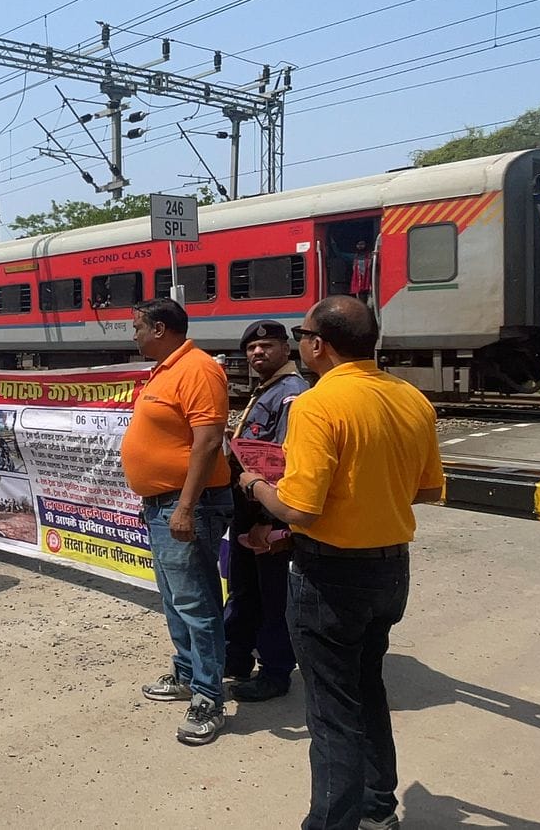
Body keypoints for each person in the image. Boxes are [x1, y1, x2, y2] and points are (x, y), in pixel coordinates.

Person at [239, 296, 443, 830]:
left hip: (331, 577)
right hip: (390, 571)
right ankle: (378, 809)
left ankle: (332, 823)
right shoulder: (412, 399)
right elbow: (423, 490)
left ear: (317, 344)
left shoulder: (318, 404)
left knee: (331, 713)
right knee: (367, 689)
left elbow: (300, 506)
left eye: (301, 333)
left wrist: (256, 484)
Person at [120, 297, 234, 746]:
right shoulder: (166, 369)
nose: (134, 334)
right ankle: (187, 671)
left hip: (190, 504)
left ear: (161, 328)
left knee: (197, 602)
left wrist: (185, 506)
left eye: (137, 326)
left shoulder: (199, 369)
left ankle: (208, 695)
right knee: (174, 597)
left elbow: (208, 442)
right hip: (162, 503)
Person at [223, 320, 308, 703]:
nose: (258, 353)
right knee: (243, 589)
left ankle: (275, 671)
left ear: (285, 351)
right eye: (252, 350)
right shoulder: (268, 390)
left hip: (267, 515)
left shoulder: (291, 394)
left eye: (267, 347)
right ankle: (237, 657)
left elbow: (283, 463)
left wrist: (269, 522)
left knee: (271, 595)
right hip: (249, 510)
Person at [350, 240, 373, 304]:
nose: (360, 246)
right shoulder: (354, 256)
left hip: (369, 283)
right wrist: (333, 244)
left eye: (362, 244)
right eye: (358, 244)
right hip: (359, 284)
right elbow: (340, 255)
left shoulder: (371, 256)